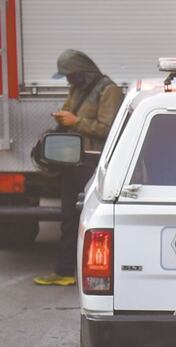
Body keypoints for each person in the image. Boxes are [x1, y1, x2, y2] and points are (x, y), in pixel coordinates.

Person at [34, 50, 122, 286]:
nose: (68, 81)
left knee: (89, 219)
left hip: (92, 162)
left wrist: (76, 122)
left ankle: (87, 272)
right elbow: (70, 110)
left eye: (71, 75)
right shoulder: (78, 89)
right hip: (72, 161)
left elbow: (107, 129)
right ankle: (64, 270)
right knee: (68, 217)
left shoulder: (108, 90)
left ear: (84, 71)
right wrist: (62, 117)